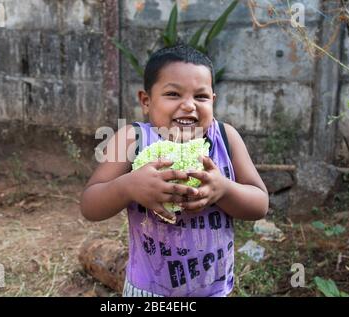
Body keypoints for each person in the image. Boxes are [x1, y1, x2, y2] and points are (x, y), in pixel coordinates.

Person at [81, 44, 269, 297]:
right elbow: (90, 205)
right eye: (173, 94)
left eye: (201, 97)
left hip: (214, 290)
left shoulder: (226, 138)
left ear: (213, 101)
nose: (189, 105)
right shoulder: (132, 139)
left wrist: (224, 189)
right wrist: (128, 186)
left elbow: (259, 203)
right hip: (148, 291)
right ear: (146, 101)